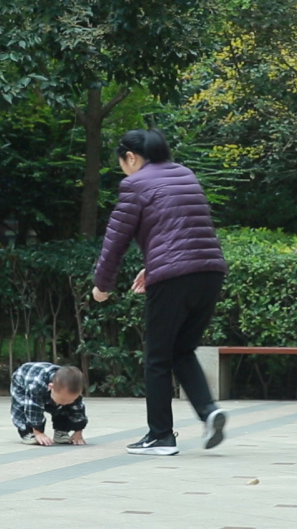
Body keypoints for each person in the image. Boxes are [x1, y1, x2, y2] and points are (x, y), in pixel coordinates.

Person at [93, 128, 229, 456]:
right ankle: (209, 412)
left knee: (156, 357)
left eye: (122, 162)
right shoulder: (185, 174)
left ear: (130, 157)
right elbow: (183, 231)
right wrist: (153, 265)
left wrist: (102, 284)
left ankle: (161, 436)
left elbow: (116, 240)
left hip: (173, 278)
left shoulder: (135, 183)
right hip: (209, 272)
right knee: (181, 350)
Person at [9, 362, 88, 446]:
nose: (65, 402)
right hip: (23, 378)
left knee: (66, 408)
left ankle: (61, 430)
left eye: (71, 399)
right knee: (22, 406)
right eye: (62, 399)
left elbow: (78, 411)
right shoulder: (37, 386)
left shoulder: (73, 391)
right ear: (51, 387)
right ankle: (27, 432)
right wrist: (38, 432)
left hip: (54, 383)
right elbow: (33, 408)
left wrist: (78, 432)